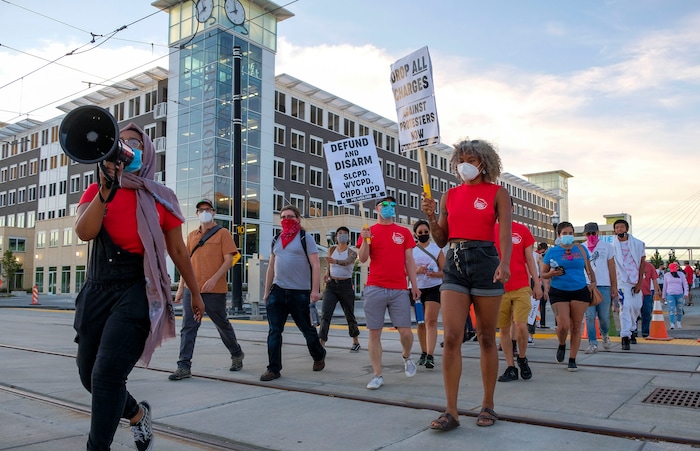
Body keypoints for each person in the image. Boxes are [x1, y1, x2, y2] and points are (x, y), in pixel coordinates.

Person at [73, 122, 204, 451]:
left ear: (146, 152)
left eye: (135, 143)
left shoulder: (162, 197)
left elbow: (177, 250)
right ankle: (136, 413)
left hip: (138, 290)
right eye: (121, 143)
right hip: (98, 288)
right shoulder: (96, 190)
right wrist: (106, 191)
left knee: (107, 376)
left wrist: (195, 291)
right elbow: (84, 232)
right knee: (89, 375)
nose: (127, 148)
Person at [421, 139, 511, 430]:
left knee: (486, 336)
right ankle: (451, 411)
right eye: (461, 160)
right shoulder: (449, 195)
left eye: (471, 160)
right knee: (452, 337)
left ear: (484, 162)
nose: (465, 165)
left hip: (486, 259)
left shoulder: (498, 193)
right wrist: (432, 217)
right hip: (455, 262)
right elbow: (441, 239)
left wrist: (505, 262)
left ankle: (488, 405)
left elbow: (506, 233)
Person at [169, 198, 245, 381]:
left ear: (213, 212)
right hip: (191, 288)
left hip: (214, 289)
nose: (204, 212)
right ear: (197, 214)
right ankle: (183, 365)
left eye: (208, 209)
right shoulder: (192, 236)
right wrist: (180, 288)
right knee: (189, 326)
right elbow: (185, 264)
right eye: (201, 209)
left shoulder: (223, 233)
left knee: (221, 323)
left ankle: (236, 353)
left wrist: (214, 279)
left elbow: (229, 260)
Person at [358, 196, 420, 390]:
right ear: (377, 208)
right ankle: (377, 374)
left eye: (392, 205)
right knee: (374, 333)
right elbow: (362, 258)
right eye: (385, 205)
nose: (389, 208)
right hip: (375, 286)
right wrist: (365, 239)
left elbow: (409, 261)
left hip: (399, 288)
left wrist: (414, 286)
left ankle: (407, 356)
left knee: (406, 332)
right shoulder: (370, 231)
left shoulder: (403, 232)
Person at [260, 205, 326, 381]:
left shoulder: (305, 238)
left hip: (300, 293)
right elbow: (271, 267)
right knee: (274, 331)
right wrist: (267, 292)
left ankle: (318, 355)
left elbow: (316, 265)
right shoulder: (276, 239)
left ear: (298, 219)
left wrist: (315, 291)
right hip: (278, 291)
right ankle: (273, 368)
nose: (286, 219)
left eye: (290, 216)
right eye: (283, 217)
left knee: (307, 330)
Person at [495, 200, 542, 382]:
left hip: (522, 285)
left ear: (512, 209)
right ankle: (510, 366)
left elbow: (530, 258)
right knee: (504, 330)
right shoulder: (490, 231)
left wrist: (536, 284)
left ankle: (522, 357)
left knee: (521, 326)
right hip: (499, 288)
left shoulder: (522, 230)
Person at [541, 221, 596, 371]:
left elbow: (589, 269)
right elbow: (543, 273)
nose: (568, 236)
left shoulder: (581, 249)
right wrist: (552, 273)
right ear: (559, 235)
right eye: (564, 233)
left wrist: (593, 282)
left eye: (570, 233)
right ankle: (562, 344)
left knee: (576, 326)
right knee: (563, 324)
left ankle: (572, 358)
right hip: (559, 291)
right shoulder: (552, 252)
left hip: (579, 290)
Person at [410, 219, 445, 370]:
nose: (423, 234)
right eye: (420, 233)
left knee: (431, 320)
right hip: (416, 289)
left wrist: (435, 274)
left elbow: (445, 271)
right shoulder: (411, 250)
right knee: (420, 322)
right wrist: (416, 271)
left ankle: (430, 355)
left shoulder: (437, 249)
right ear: (415, 234)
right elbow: (403, 270)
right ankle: (423, 352)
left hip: (433, 287)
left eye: (426, 232)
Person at [319, 226, 360, 352]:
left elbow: (347, 262)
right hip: (332, 285)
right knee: (326, 314)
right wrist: (327, 275)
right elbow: (329, 265)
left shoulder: (352, 253)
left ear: (348, 237)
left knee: (349, 314)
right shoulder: (331, 249)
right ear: (336, 237)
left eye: (345, 234)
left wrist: (335, 261)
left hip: (345, 286)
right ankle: (321, 344)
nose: (342, 235)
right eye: (340, 233)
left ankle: (355, 341)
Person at [582, 222, 617, 352]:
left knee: (604, 317)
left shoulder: (607, 247)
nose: (591, 236)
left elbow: (611, 267)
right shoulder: (581, 248)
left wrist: (614, 286)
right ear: (585, 234)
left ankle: (605, 334)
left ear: (598, 233)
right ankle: (592, 343)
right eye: (589, 234)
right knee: (589, 316)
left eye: (594, 233)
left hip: (604, 285)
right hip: (587, 286)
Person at [611, 219, 645, 350]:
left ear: (626, 229)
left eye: (622, 227)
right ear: (614, 230)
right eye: (617, 227)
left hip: (635, 279)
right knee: (625, 306)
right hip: (621, 281)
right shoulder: (611, 246)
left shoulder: (638, 244)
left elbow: (642, 263)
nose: (619, 229)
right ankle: (625, 336)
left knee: (636, 307)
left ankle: (632, 329)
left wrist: (640, 282)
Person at [662, 262, 688, 329]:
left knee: (680, 309)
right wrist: (663, 296)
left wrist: (686, 293)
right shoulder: (666, 275)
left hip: (679, 294)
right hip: (670, 294)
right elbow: (665, 286)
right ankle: (672, 323)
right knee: (671, 309)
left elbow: (685, 284)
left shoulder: (681, 274)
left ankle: (679, 321)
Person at [639, 261, 661, 337]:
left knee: (647, 313)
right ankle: (632, 331)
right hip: (634, 292)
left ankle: (645, 332)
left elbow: (654, 279)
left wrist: (656, 292)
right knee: (632, 313)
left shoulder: (649, 266)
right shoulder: (632, 264)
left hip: (646, 293)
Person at [535, 242, 549, 328]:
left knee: (540, 303)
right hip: (540, 281)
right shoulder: (539, 257)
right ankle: (541, 322)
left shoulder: (535, 254)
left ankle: (540, 322)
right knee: (541, 303)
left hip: (538, 281)